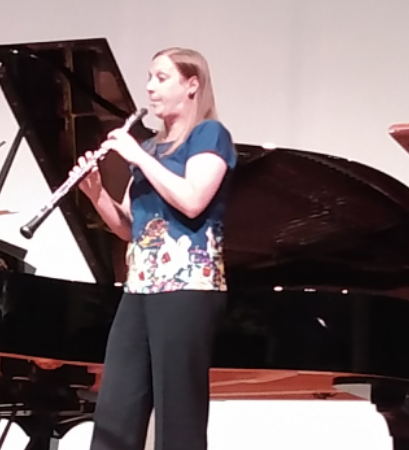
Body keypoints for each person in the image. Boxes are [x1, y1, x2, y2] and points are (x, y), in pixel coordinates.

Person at [72, 47, 237, 450]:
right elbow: (130, 228)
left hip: (188, 289)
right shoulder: (148, 150)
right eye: (149, 77)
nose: (150, 87)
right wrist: (96, 195)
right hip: (140, 288)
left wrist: (138, 159)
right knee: (115, 413)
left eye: (162, 78)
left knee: (178, 416)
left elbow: (194, 199)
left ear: (192, 85)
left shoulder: (209, 135)